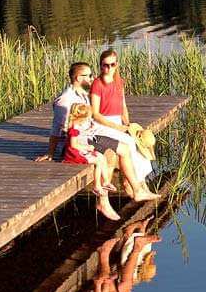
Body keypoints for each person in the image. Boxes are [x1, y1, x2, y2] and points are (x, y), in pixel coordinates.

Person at [51, 61, 151, 199]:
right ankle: (120, 193)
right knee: (117, 151)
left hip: (92, 131)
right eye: (89, 75)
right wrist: (50, 153)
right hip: (83, 139)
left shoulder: (84, 94)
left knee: (129, 139)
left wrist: (118, 127)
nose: (92, 78)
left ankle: (137, 186)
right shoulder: (65, 101)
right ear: (79, 78)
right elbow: (58, 129)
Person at [88, 49, 158, 200]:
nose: (108, 69)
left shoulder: (119, 82)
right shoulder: (97, 84)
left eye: (112, 65)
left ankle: (141, 185)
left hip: (118, 122)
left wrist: (128, 124)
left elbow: (123, 106)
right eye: (105, 65)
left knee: (138, 143)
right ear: (100, 66)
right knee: (128, 142)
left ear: (116, 65)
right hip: (102, 125)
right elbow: (95, 114)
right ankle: (135, 188)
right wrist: (118, 128)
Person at [64, 103, 120, 221]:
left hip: (81, 151)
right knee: (97, 161)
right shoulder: (74, 128)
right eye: (87, 118)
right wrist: (87, 148)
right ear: (81, 118)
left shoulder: (78, 126)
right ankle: (97, 185)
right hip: (74, 155)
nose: (88, 120)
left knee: (101, 157)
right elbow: (73, 145)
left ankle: (105, 182)